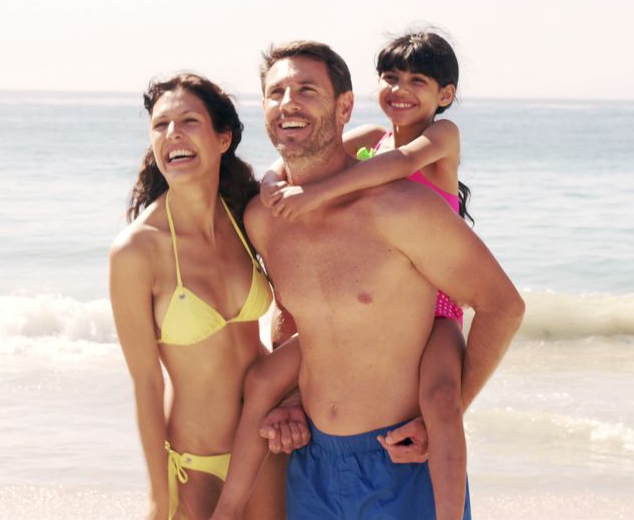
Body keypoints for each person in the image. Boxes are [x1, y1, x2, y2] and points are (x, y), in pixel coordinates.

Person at [211, 42, 524, 520]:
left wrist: (447, 413)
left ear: (344, 107)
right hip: (312, 468)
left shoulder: (403, 209)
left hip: (402, 462)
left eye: (306, 89)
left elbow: (503, 306)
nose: (289, 102)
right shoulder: (263, 217)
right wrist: (291, 400)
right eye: (276, 92)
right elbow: (298, 314)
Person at [258, 30, 472, 519]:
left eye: (417, 81)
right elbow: (291, 160)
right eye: (390, 78)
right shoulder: (372, 138)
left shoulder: (442, 135)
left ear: (445, 95)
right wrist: (272, 181)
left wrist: (317, 195)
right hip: (385, 308)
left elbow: (404, 162)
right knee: (264, 381)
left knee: (440, 402)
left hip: (437, 302)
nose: (400, 89)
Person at [108, 73, 286, 520]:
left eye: (188, 120)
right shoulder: (137, 250)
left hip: (265, 446)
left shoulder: (247, 216)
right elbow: (147, 385)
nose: (172, 134)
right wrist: (157, 496)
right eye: (160, 125)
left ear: (223, 138)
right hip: (194, 464)